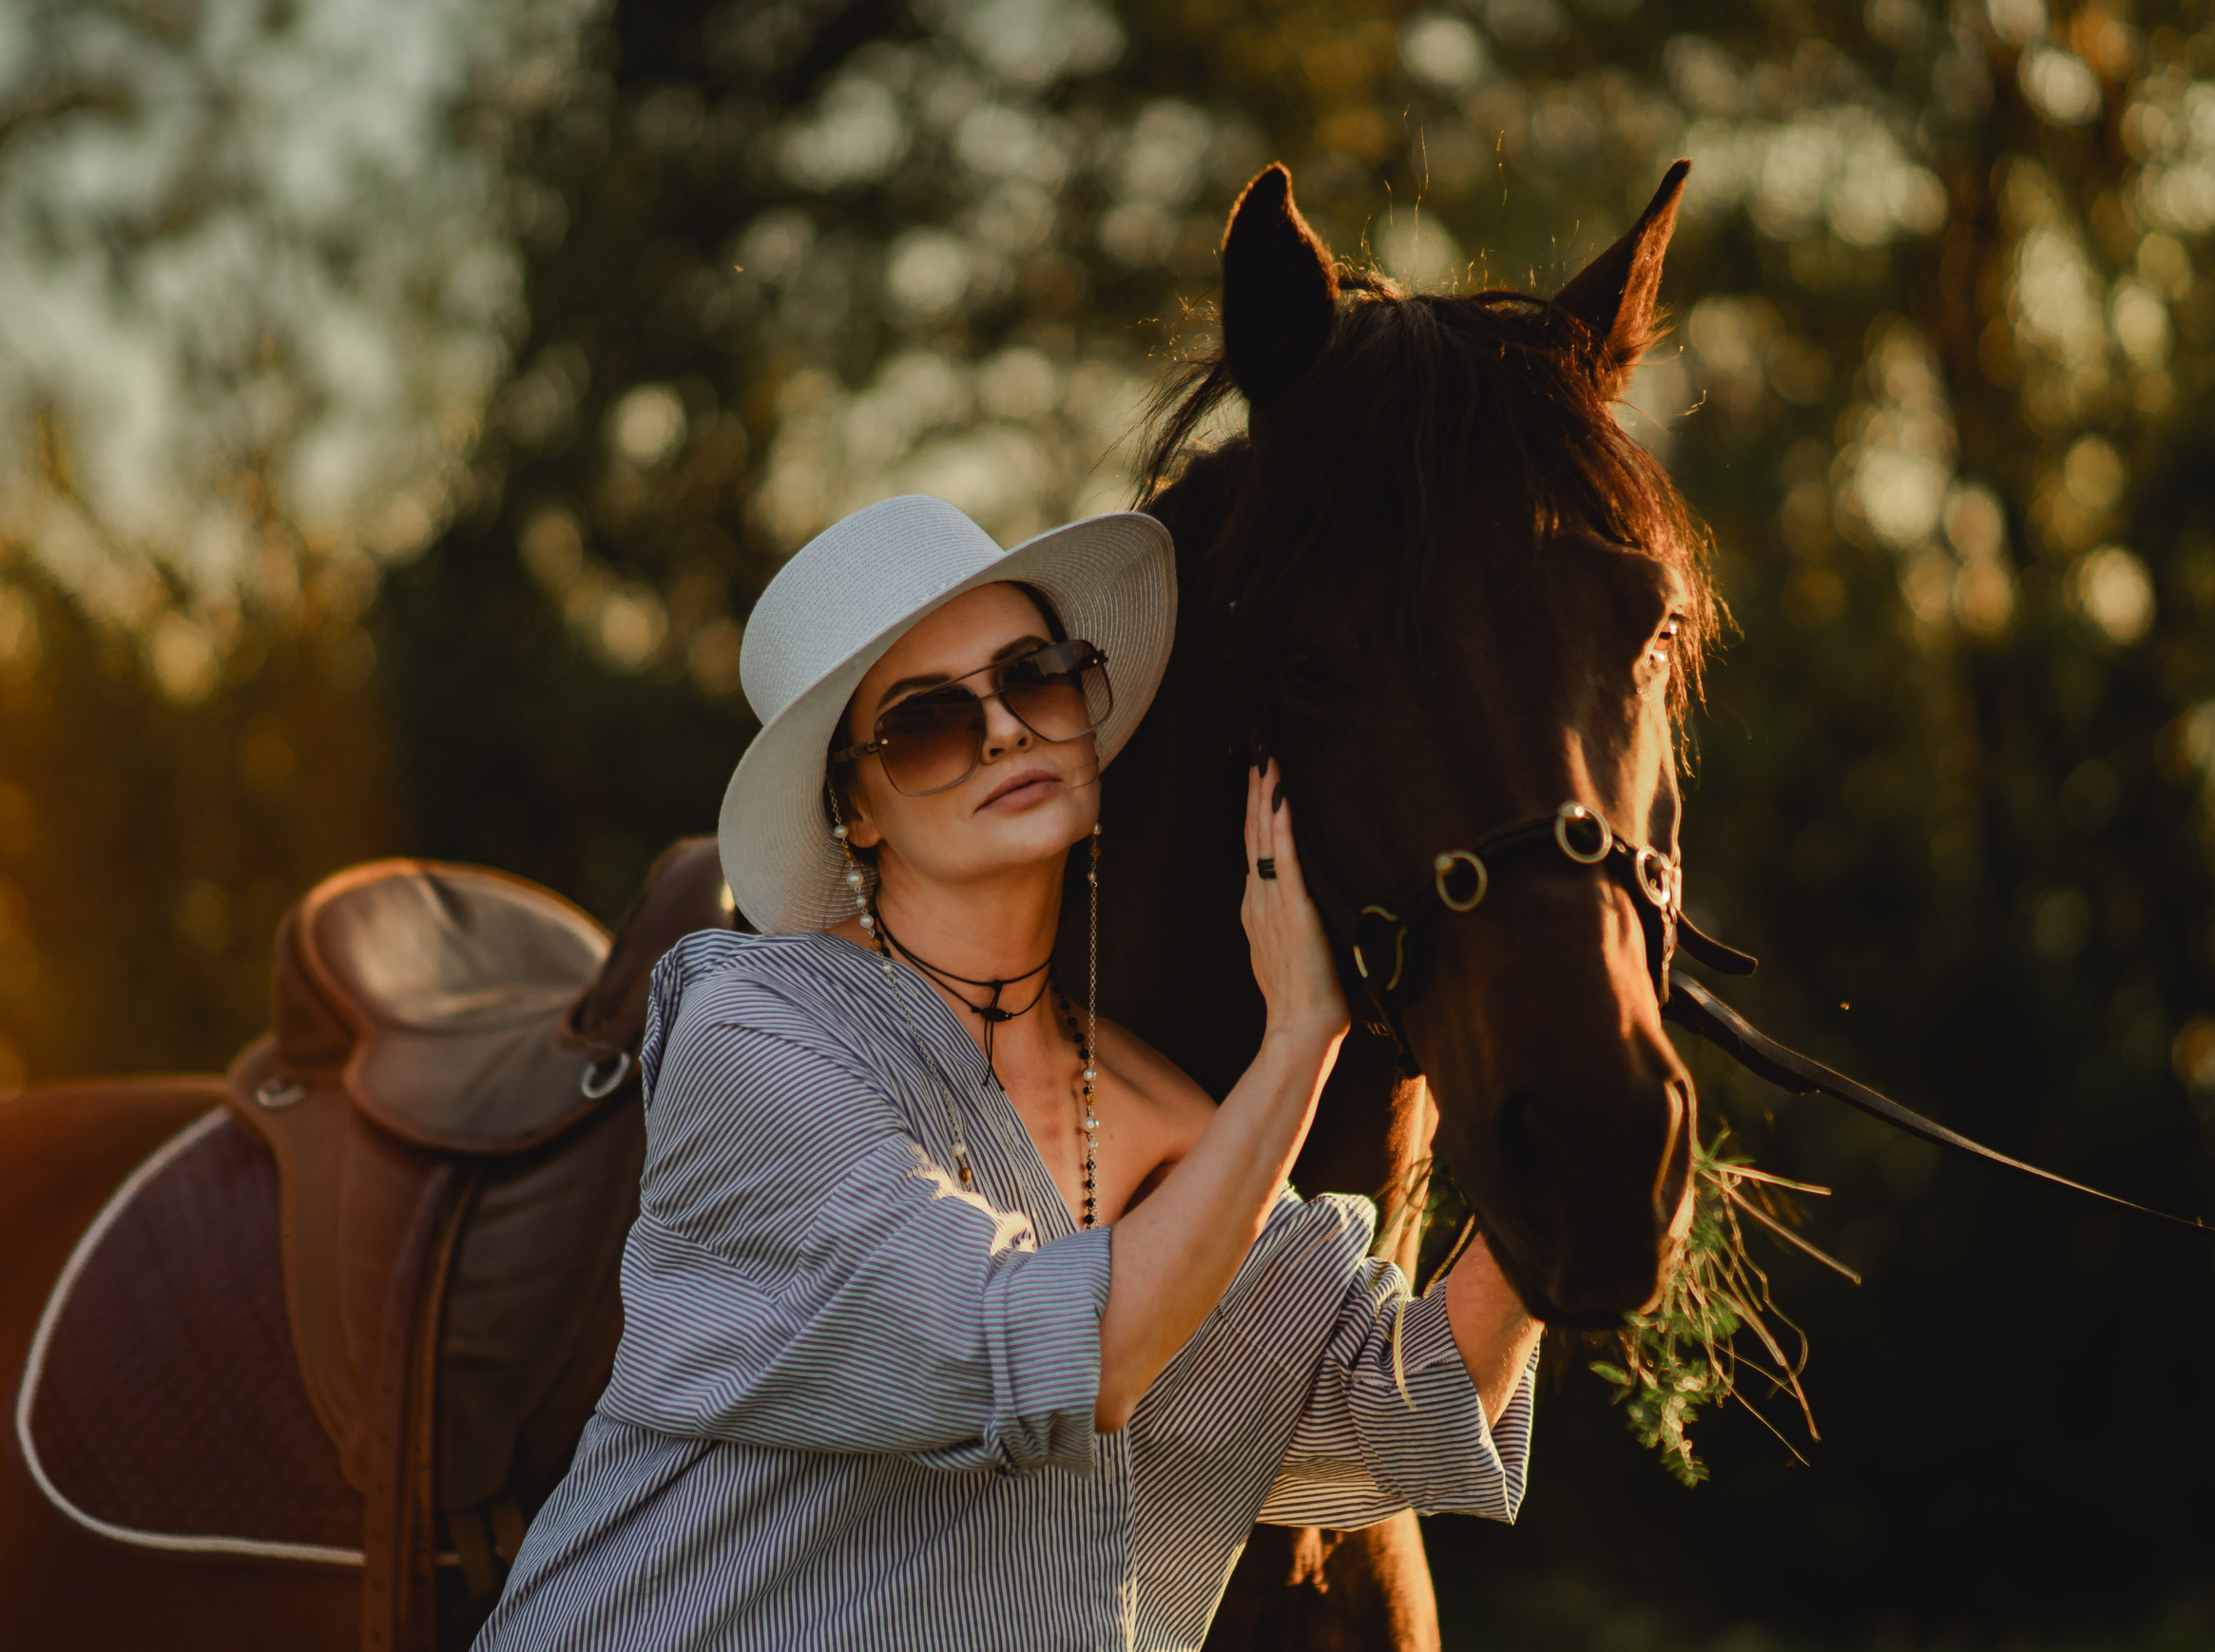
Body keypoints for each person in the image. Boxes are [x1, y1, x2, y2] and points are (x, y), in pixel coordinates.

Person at [476, 494, 1542, 1652]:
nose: (1000, 731)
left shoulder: (1165, 1113)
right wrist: (1299, 1040)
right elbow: (1046, 1359)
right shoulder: (756, 1033)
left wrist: (1563, 1149)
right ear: (854, 808)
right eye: (926, 723)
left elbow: (1398, 1408)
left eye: (1032, 676)